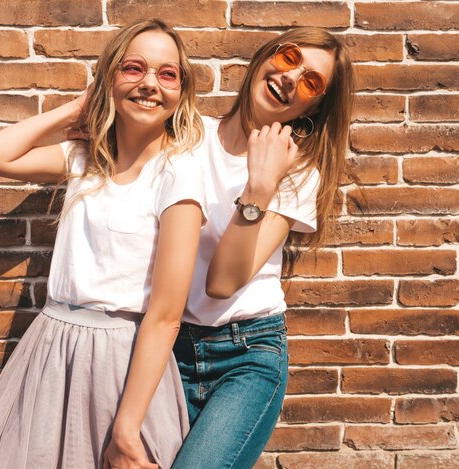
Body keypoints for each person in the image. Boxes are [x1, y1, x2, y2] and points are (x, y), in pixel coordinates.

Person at [0, 18, 205, 469]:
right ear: (109, 78)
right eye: (133, 69)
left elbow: (166, 316)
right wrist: (77, 109)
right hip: (52, 346)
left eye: (168, 74)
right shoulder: (85, 159)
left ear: (181, 91)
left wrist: (127, 432)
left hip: (121, 358)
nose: (150, 84)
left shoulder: (178, 176)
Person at [171, 27, 355, 469]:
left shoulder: (297, 172)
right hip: (167, 348)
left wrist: (260, 185)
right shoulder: (184, 138)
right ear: (265, 56)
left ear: (314, 105)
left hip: (246, 356)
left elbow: (222, 282)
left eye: (311, 82)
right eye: (289, 57)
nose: (292, 77)